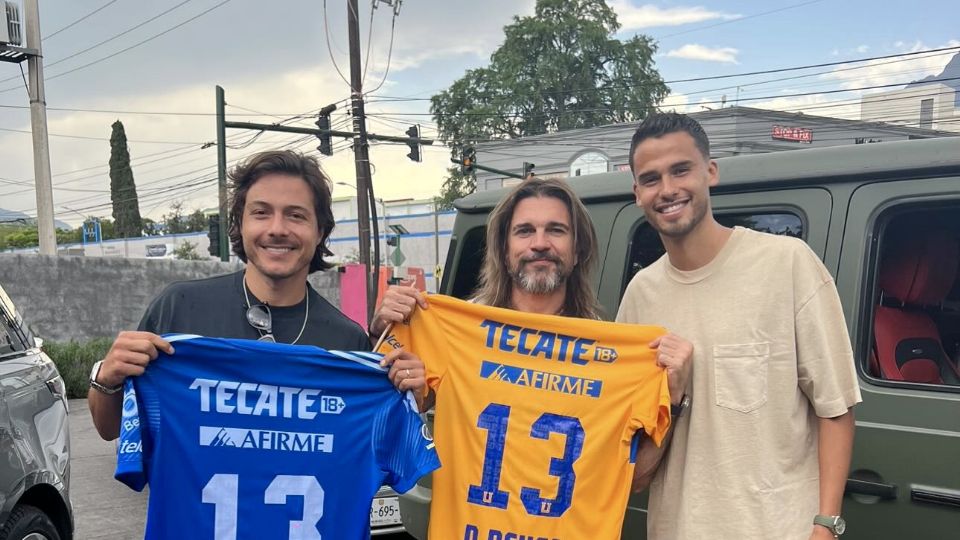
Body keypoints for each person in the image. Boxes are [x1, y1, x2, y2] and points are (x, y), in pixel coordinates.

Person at [618, 112, 861, 540]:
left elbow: (836, 408)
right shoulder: (641, 294)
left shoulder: (787, 263)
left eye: (681, 170)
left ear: (710, 172)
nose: (668, 189)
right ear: (637, 193)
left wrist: (826, 526)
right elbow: (632, 462)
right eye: (651, 178)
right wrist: (673, 401)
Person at [88, 149, 414, 440]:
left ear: (320, 232)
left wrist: (413, 393)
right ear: (240, 225)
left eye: (295, 215)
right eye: (260, 213)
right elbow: (111, 429)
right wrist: (108, 378)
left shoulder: (347, 341)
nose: (277, 228)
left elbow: (378, 442)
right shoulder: (179, 308)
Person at [370, 176, 692, 418]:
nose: (539, 243)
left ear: (578, 250)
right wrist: (381, 334)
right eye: (525, 231)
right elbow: (389, 412)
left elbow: (636, 474)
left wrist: (674, 396)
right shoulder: (456, 331)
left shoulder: (606, 350)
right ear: (503, 250)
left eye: (556, 230)